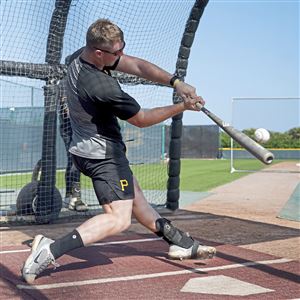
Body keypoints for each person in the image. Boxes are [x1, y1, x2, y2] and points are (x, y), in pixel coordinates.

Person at [22, 19, 216, 284]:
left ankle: (180, 242)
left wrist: (176, 83)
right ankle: (49, 250)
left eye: (122, 48)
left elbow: (136, 66)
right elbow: (142, 118)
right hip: (104, 155)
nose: (121, 56)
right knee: (119, 219)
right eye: (117, 52)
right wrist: (182, 107)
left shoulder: (81, 56)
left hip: (86, 149)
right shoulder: (101, 86)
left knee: (137, 201)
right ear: (99, 52)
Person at [58, 72, 88, 212]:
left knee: (75, 160)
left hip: (81, 128)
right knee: (74, 160)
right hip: (68, 129)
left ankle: (69, 196)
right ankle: (75, 197)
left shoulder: (83, 82)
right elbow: (66, 109)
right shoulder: (64, 82)